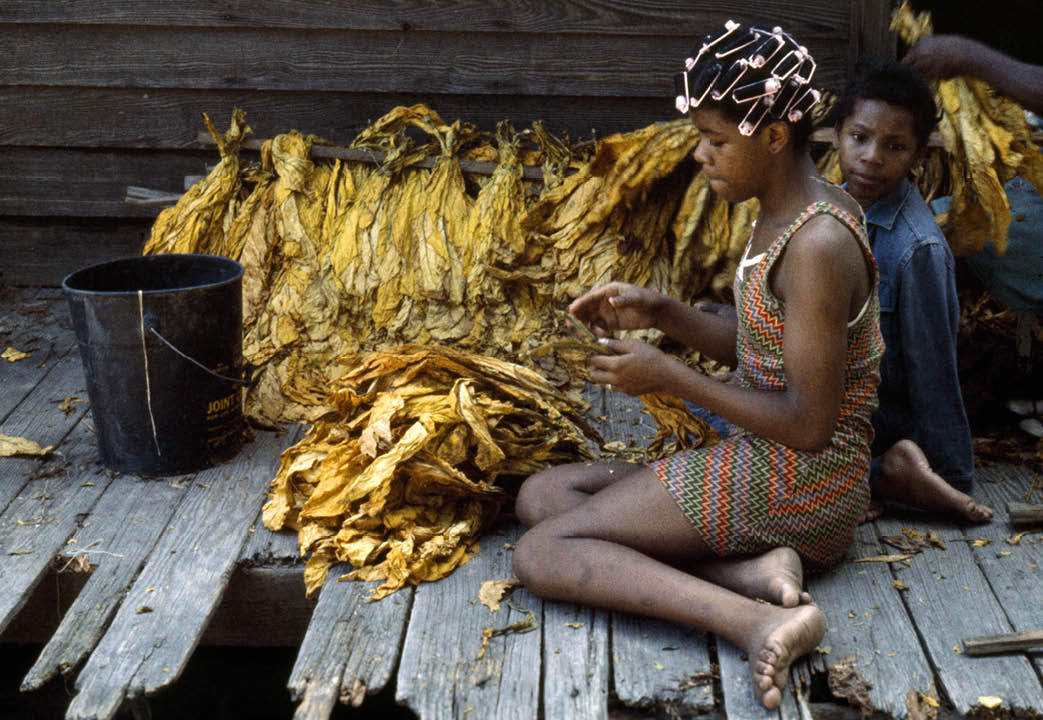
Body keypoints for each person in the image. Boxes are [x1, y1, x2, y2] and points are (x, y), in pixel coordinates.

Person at [512, 22, 879, 710]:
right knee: (542, 498)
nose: (701, 156)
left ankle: (758, 620)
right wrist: (664, 313)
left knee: (540, 554)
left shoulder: (817, 244)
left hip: (802, 480)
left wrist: (669, 374)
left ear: (772, 136)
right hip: (771, 460)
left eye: (716, 140)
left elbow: (808, 424)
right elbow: (765, 345)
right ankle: (751, 573)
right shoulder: (789, 211)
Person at [831, 60, 993, 523]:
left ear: (919, 155)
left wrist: (949, 474)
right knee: (711, 401)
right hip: (827, 398)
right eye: (859, 137)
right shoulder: (827, 209)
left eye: (895, 146)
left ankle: (886, 473)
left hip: (874, 419)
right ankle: (866, 477)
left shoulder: (917, 249)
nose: (872, 157)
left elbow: (932, 369)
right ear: (838, 133)